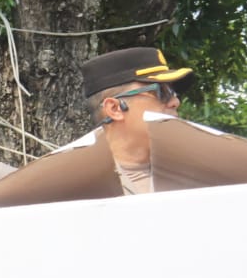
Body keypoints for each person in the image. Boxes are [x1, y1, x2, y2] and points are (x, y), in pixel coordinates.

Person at [79, 47, 193, 194]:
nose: (175, 102)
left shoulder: (201, 175)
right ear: (115, 108)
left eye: (174, 93)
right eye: (162, 92)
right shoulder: (70, 186)